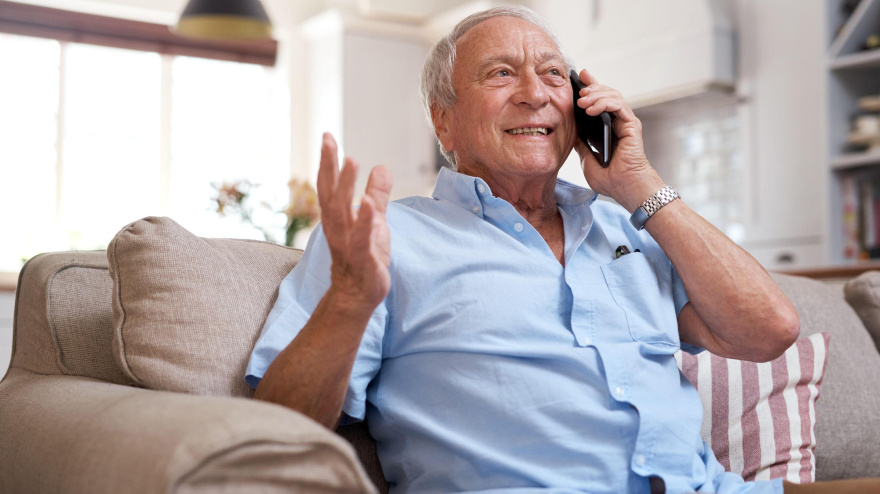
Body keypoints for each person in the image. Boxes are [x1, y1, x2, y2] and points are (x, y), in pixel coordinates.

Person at [245, 7, 878, 494]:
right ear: (444, 120)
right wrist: (350, 301)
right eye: (500, 73)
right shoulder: (382, 237)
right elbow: (280, 427)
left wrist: (640, 184)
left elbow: (770, 331)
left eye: (553, 73)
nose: (534, 92)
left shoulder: (625, 228)